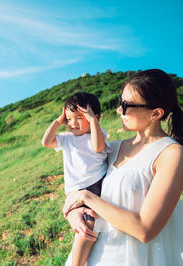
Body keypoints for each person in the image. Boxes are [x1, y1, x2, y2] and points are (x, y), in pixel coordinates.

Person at [63, 69, 183, 265]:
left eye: (126, 105)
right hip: (97, 253)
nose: (119, 110)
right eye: (121, 102)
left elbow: (146, 230)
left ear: (156, 113)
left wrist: (85, 197)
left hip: (144, 257)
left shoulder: (173, 154)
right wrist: (74, 211)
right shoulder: (113, 148)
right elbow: (79, 182)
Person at [42, 92, 111, 266]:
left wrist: (93, 122)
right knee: (81, 227)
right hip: (74, 192)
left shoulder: (98, 135)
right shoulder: (67, 139)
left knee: (87, 226)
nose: (73, 123)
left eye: (80, 118)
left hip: (93, 186)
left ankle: (78, 263)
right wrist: (58, 121)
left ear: (95, 117)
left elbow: (97, 147)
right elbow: (46, 142)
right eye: (69, 119)